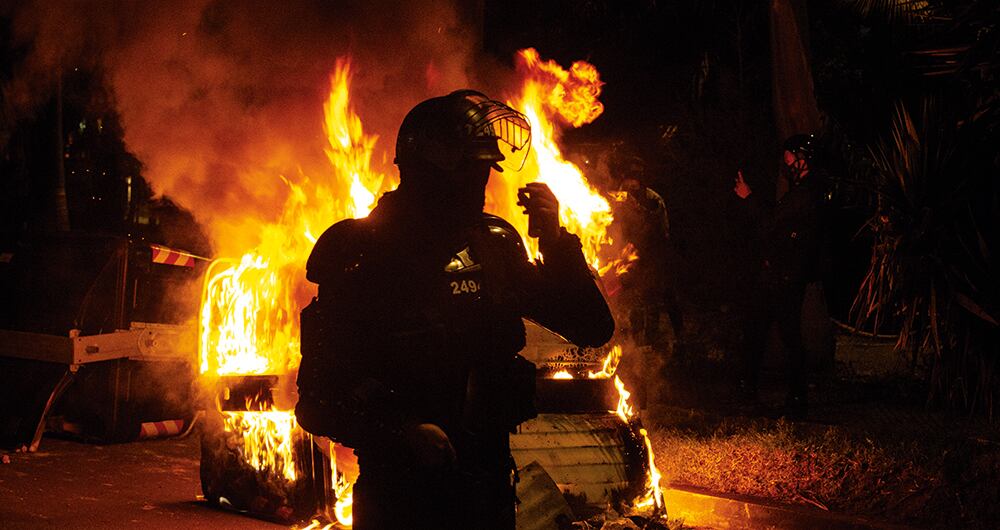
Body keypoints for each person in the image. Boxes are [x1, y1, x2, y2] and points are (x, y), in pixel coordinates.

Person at [295, 90, 615, 529]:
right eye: (471, 171)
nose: (481, 186)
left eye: (485, 171)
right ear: (428, 171)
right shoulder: (360, 252)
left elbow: (591, 327)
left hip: (485, 490)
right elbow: (318, 399)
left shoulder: (493, 246)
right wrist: (402, 431)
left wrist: (557, 243)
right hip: (400, 496)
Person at [732, 133, 826, 418]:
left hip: (785, 278)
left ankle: (794, 396)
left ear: (803, 159)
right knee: (760, 330)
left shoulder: (805, 194)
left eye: (789, 157)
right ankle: (754, 390)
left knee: (784, 334)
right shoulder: (801, 192)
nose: (785, 163)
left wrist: (748, 198)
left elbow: (772, 224)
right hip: (779, 275)